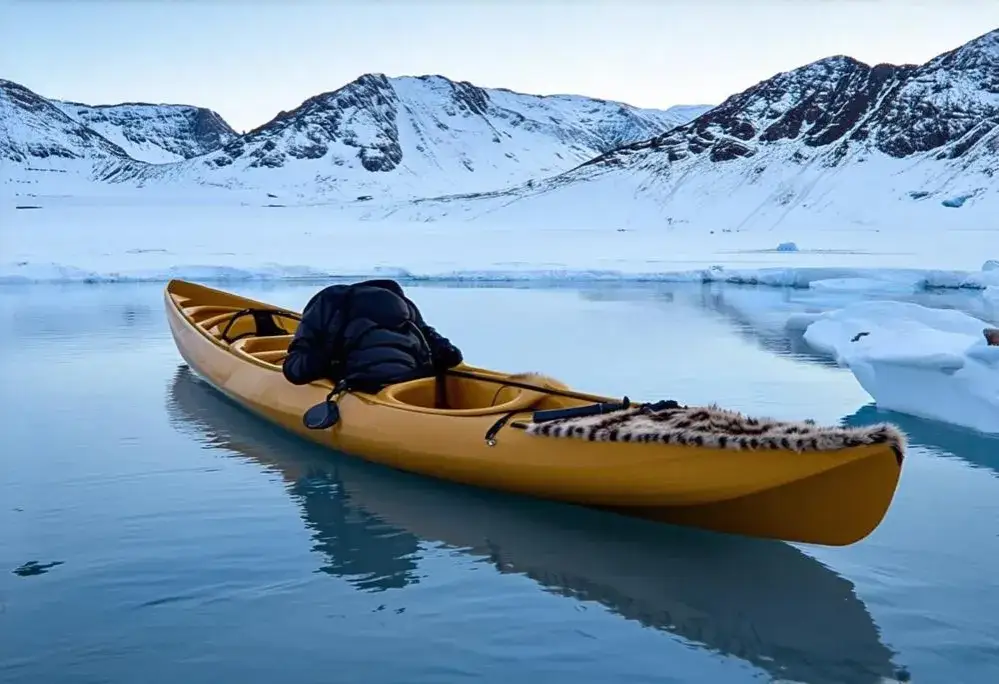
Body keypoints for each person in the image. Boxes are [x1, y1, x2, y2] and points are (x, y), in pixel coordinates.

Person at [281, 278, 463, 392]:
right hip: (414, 383)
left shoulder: (329, 303)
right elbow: (451, 356)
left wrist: (324, 353)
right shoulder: (407, 309)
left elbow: (297, 373)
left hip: (362, 385)